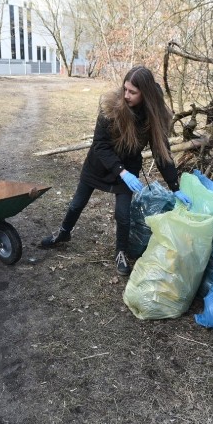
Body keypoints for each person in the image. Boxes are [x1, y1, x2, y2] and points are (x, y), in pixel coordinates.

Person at [39, 65, 191, 276]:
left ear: (145, 94)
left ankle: (120, 252)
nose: (126, 95)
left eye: (133, 92)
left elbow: (161, 153)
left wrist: (175, 187)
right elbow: (100, 144)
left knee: (123, 215)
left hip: (128, 167)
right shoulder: (111, 107)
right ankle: (63, 233)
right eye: (125, 89)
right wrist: (122, 172)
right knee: (77, 204)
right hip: (99, 164)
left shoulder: (152, 117)